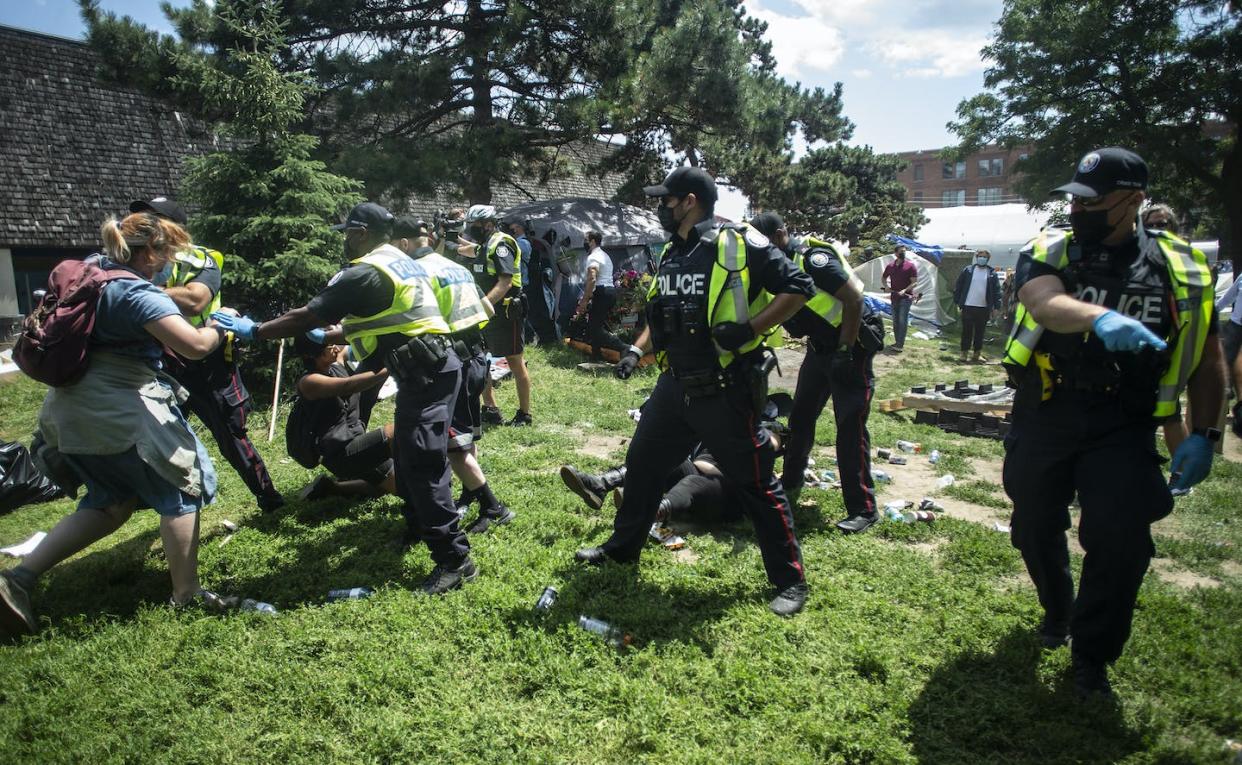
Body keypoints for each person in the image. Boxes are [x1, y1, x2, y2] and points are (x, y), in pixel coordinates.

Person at [1001, 147, 1224, 698]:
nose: (1080, 209)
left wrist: (1205, 434)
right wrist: (1099, 317)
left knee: (1121, 541)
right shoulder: (1051, 249)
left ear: (1132, 201)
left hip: (1122, 422)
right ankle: (1059, 609)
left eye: (1094, 201)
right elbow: (1044, 301)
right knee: (1032, 523)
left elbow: (1206, 355)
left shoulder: (1183, 269)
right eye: (1076, 198)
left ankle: (1092, 657)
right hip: (1047, 409)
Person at [575, 166, 814, 616]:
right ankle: (624, 547)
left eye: (666, 200)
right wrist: (635, 350)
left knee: (757, 482)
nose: (661, 207)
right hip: (673, 387)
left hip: (725, 390)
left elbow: (799, 287)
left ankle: (790, 581)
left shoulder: (737, 241)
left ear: (689, 201)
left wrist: (747, 329)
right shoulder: (671, 253)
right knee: (642, 465)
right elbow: (659, 314)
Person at [213, 202, 478, 596]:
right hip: (429, 367)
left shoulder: (366, 271)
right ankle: (419, 527)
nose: (345, 240)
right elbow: (385, 320)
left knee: (422, 462)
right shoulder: (398, 261)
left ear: (361, 233)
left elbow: (307, 316)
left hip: (427, 372)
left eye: (347, 233)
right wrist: (333, 337)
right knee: (408, 453)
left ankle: (455, 561)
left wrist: (256, 331)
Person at [0, 213, 228, 637]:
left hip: (67, 410)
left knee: (110, 502)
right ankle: (187, 592)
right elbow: (194, 347)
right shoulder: (135, 292)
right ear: (151, 251)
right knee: (181, 489)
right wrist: (219, 328)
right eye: (167, 255)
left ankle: (19, 579)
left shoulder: (90, 270)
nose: (167, 266)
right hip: (119, 409)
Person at [131, 197, 285, 514]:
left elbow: (195, 300)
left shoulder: (202, 259)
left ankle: (269, 497)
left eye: (153, 218)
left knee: (231, 435)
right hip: (161, 364)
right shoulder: (133, 263)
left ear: (173, 228)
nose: (144, 224)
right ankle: (159, 502)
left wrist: (134, 290)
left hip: (209, 362)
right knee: (155, 434)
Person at [750, 213, 882, 534]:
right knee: (801, 419)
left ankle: (863, 508)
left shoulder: (814, 259)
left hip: (852, 347)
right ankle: (792, 481)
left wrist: (845, 349)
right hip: (820, 349)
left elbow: (853, 297)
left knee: (849, 427)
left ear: (781, 235)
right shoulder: (777, 268)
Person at [389, 216, 514, 533]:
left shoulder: (417, 274)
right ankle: (471, 493)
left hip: (450, 362)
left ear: (404, 244)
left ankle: (492, 506)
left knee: (453, 445)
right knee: (466, 436)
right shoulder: (456, 267)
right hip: (476, 357)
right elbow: (484, 311)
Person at [292, 335, 396, 500]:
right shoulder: (309, 382)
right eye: (329, 346)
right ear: (311, 354)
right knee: (398, 432)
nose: (335, 348)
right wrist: (393, 366)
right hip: (341, 455)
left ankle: (333, 488)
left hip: (359, 443)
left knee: (390, 486)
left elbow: (352, 339)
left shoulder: (335, 363)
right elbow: (351, 385)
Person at [460, 205, 533, 427]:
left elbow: (505, 282)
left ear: (489, 224)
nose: (472, 230)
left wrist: (482, 306)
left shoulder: (502, 244)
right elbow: (471, 250)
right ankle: (490, 408)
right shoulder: (485, 244)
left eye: (475, 226)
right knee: (480, 361)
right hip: (486, 314)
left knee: (515, 363)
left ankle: (524, 414)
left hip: (506, 313)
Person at [572, 230, 627, 358]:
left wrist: (584, 301)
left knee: (595, 329)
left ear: (592, 241)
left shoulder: (593, 257)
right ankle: (596, 354)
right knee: (595, 324)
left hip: (602, 292)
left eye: (586, 239)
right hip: (610, 291)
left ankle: (624, 347)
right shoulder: (605, 255)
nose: (584, 242)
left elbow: (592, 278)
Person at [953, 249, 1001, 362]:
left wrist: (996, 307)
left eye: (985, 257)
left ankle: (976, 354)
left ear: (988, 259)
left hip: (983, 308)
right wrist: (957, 301)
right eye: (980, 256)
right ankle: (963, 353)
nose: (982, 258)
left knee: (980, 332)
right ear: (977, 257)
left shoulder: (992, 273)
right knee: (966, 331)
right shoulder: (968, 270)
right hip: (968, 306)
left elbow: (997, 291)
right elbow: (959, 286)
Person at [881, 244, 920, 351]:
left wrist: (905, 290)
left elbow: (914, 282)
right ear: (896, 253)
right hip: (894, 297)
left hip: (906, 298)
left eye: (904, 251)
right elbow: (883, 278)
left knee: (902, 320)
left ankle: (900, 345)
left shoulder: (910, 266)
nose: (903, 253)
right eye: (901, 251)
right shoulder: (890, 266)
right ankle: (897, 342)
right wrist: (886, 287)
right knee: (895, 321)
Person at [1217, 275, 1242, 437]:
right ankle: (1222, 402)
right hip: (1236, 326)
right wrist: (1214, 310)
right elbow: (1229, 297)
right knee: (1225, 361)